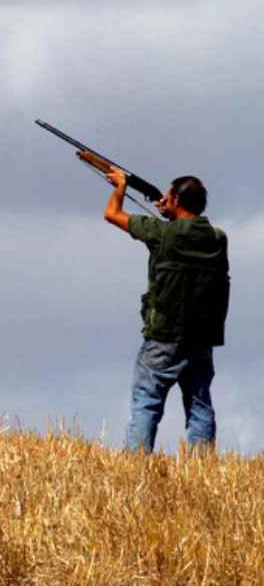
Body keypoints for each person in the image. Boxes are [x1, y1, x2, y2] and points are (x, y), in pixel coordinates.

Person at [102, 168, 229, 453]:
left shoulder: (162, 233)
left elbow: (112, 213)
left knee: (147, 399)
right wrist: (171, 211)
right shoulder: (218, 239)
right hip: (201, 336)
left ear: (174, 199)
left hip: (163, 336)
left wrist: (120, 186)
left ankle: (136, 465)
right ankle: (202, 470)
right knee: (199, 403)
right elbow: (186, 232)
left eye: (168, 195)